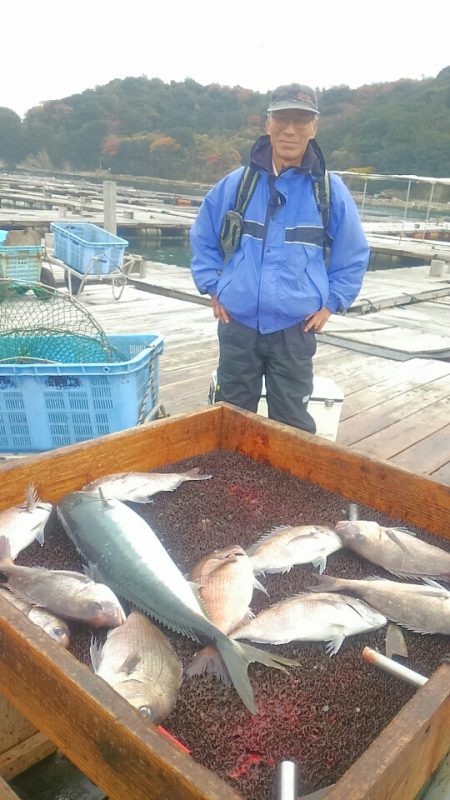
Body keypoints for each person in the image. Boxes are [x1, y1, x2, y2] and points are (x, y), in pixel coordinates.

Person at [190, 83, 370, 433]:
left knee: (292, 424)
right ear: (267, 123)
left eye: (301, 120)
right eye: (283, 119)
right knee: (228, 418)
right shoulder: (235, 185)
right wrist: (213, 286)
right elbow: (202, 237)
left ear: (314, 127)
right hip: (237, 322)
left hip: (295, 328)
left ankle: (289, 486)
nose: (291, 129)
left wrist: (332, 303)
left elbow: (353, 254)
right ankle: (227, 483)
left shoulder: (330, 192)